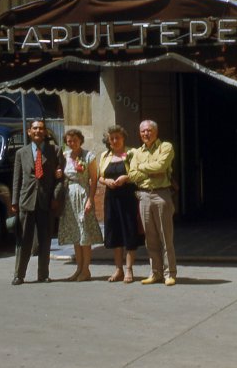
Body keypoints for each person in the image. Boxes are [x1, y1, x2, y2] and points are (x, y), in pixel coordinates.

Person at [11, 119, 66, 285]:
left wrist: (55, 198)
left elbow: (60, 178)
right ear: (29, 132)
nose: (38, 131)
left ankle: (43, 274)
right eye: (35, 128)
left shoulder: (55, 150)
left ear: (45, 132)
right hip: (26, 201)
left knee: (45, 240)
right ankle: (19, 275)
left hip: (46, 201)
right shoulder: (21, 153)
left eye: (41, 129)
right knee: (24, 240)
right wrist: (14, 201)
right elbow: (17, 179)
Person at [128, 119, 177, 286]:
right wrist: (150, 170)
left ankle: (169, 273)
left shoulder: (166, 147)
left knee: (165, 236)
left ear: (156, 132)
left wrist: (142, 167)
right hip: (143, 196)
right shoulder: (136, 152)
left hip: (161, 195)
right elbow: (133, 175)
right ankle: (155, 272)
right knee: (150, 238)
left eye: (149, 131)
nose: (146, 134)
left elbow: (161, 166)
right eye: (143, 131)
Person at [98, 125, 142, 284]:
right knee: (115, 233)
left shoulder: (132, 153)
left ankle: (129, 269)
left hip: (128, 197)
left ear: (123, 138)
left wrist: (126, 178)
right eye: (112, 139)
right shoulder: (105, 155)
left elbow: (139, 173)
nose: (115, 141)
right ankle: (118, 269)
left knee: (129, 231)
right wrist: (106, 181)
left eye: (117, 137)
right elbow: (100, 176)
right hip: (111, 198)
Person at [58, 129, 103, 281]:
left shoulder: (88, 156)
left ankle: (86, 269)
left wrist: (91, 198)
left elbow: (94, 179)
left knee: (85, 234)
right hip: (69, 196)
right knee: (75, 234)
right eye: (69, 141)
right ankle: (78, 268)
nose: (72, 143)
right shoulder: (65, 156)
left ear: (80, 140)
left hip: (83, 194)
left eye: (75, 140)